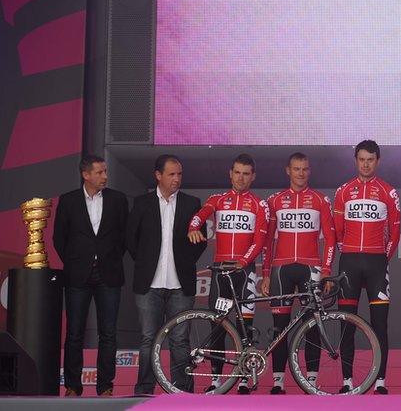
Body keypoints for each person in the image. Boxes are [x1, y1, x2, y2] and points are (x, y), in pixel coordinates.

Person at [187, 153, 270, 394]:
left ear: (252, 176)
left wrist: (243, 262)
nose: (241, 178)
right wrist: (193, 227)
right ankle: (216, 379)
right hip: (221, 274)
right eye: (237, 172)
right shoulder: (218, 200)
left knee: (244, 327)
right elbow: (199, 216)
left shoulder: (259, 204)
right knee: (218, 327)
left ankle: (244, 377)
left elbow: (260, 240)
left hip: (244, 275)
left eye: (246, 174)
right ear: (230, 174)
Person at [126, 154, 206, 394]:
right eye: (171, 174)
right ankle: (144, 388)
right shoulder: (142, 203)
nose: (176, 179)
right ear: (158, 175)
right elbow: (131, 239)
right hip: (149, 282)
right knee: (148, 338)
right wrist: (144, 263)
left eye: (179, 174)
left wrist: (184, 260)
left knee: (180, 339)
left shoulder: (192, 203)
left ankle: (182, 390)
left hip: (180, 282)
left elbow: (200, 241)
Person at [258, 152, 335, 394]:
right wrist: (267, 273)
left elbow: (331, 240)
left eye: (304, 169)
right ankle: (278, 381)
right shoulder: (275, 200)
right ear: (288, 171)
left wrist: (326, 270)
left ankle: (310, 379)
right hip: (281, 269)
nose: (300, 173)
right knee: (280, 326)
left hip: (310, 269)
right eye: (296, 169)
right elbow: (267, 242)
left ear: (309, 171)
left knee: (311, 325)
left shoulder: (321, 199)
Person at [53, 154, 129, 397]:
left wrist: (108, 257)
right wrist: (77, 262)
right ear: (85, 174)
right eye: (99, 172)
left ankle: (105, 385)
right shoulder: (68, 201)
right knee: (74, 332)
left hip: (109, 274)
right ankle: (73, 386)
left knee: (108, 333)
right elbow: (59, 239)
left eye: (106, 171)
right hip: (78, 276)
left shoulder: (118, 200)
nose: (105, 176)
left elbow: (123, 237)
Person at [333, 140, 400, 394]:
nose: (365, 164)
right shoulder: (343, 191)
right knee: (346, 324)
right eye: (361, 159)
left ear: (377, 161)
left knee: (379, 324)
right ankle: (348, 380)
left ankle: (380, 381)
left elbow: (395, 231)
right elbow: (336, 230)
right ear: (356, 161)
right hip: (349, 262)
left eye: (370, 159)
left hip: (376, 264)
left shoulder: (388, 191)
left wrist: (383, 257)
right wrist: (347, 251)